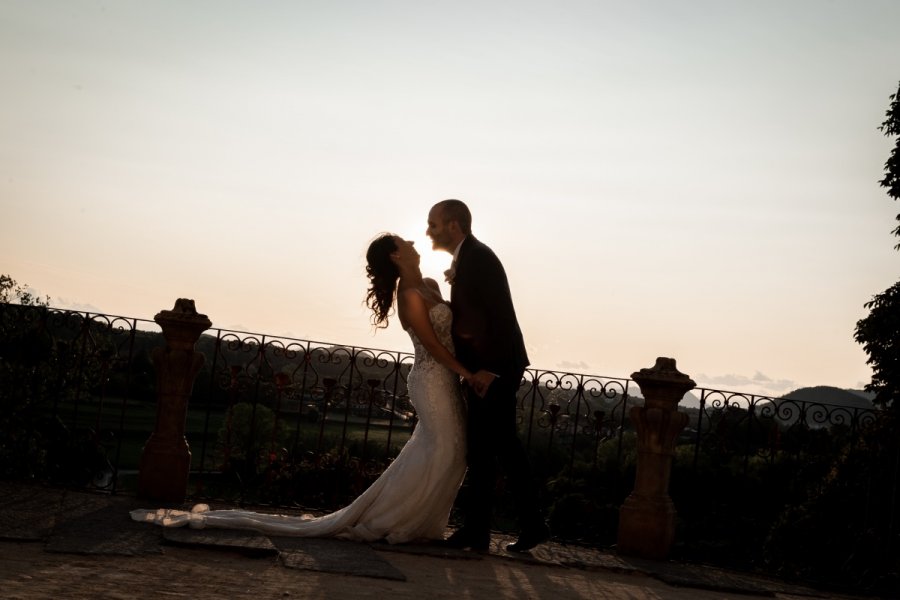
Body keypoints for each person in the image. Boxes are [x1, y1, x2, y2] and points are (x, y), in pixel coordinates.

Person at [130, 234, 475, 544]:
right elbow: (432, 345)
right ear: (396, 257)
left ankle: (417, 520)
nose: (414, 242)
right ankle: (393, 520)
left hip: (447, 380)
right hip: (432, 381)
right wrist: (468, 374)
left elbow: (451, 329)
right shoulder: (410, 296)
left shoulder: (430, 284)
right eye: (405, 242)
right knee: (444, 449)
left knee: (449, 451)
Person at [427, 199, 550, 553]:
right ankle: (521, 527)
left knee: (486, 449)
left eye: (433, 223)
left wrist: (489, 370)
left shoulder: (479, 257)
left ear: (454, 225)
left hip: (495, 370)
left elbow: (498, 315)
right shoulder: (468, 258)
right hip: (491, 368)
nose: (428, 230)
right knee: (499, 449)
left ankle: (482, 531)